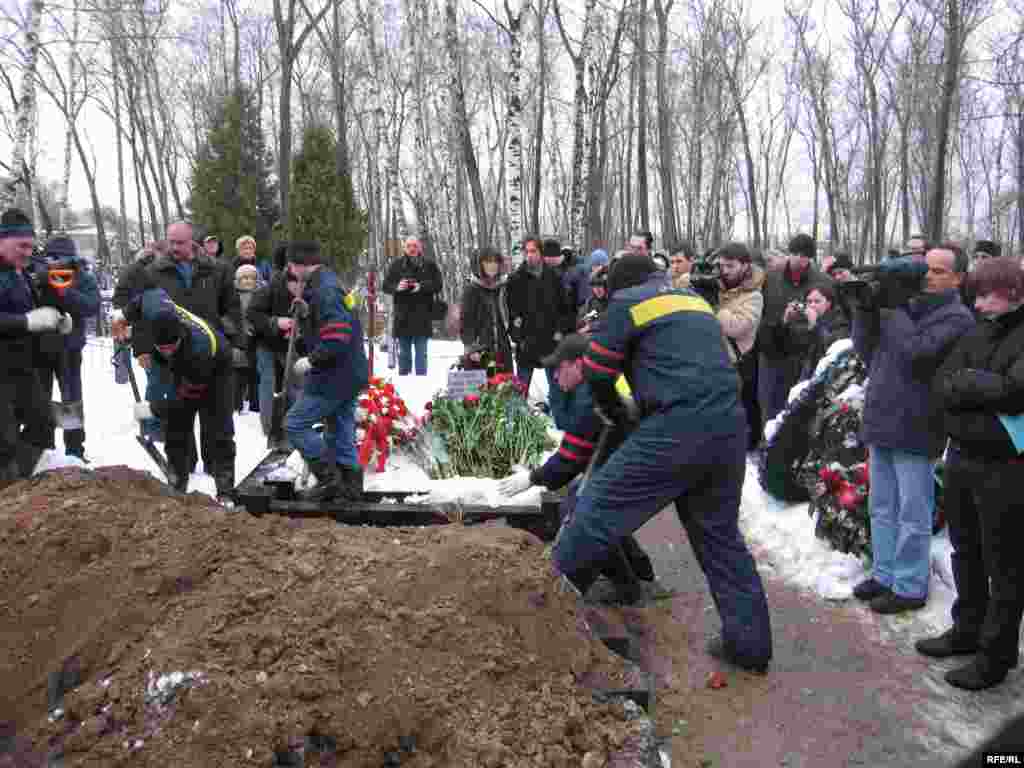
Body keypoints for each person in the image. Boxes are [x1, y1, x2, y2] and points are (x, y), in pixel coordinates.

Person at [552, 253, 773, 673]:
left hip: (676, 427)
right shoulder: (693, 300)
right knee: (720, 539)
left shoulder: (626, 304)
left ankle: (540, 616)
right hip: (728, 428)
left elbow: (598, 371)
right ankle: (750, 647)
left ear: (618, 286)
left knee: (594, 509)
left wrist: (615, 414)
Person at [915, 257, 1024, 690]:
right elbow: (942, 383)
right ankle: (967, 631)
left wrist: (970, 386)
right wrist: (977, 387)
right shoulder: (978, 332)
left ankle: (996, 656)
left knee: (1005, 566)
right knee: (967, 554)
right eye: (974, 294)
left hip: (1005, 470)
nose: (979, 303)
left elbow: (1015, 393)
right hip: (962, 459)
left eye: (986, 293)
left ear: (1014, 291)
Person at [850, 242, 975, 614]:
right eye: (926, 269)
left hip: (918, 425)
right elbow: (865, 348)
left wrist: (894, 307)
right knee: (882, 506)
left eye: (939, 271)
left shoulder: (957, 318)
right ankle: (885, 573)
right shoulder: (906, 307)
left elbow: (916, 353)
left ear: (958, 279)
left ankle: (909, 585)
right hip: (882, 416)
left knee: (913, 511)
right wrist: (867, 309)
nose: (928, 277)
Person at [496, 333, 657, 604]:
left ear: (578, 364)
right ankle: (640, 572)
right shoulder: (590, 389)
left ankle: (624, 587)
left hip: (630, 463)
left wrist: (532, 478)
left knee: (584, 514)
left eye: (559, 369)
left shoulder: (588, 399)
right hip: (626, 460)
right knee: (595, 508)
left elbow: (569, 458)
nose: (555, 378)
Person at [115, 287, 236, 501]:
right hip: (184, 365)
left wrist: (152, 409)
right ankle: (177, 484)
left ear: (180, 335)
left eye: (172, 347)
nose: (167, 351)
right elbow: (147, 295)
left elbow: (183, 402)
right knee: (176, 427)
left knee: (218, 430)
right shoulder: (156, 308)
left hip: (217, 369)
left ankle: (225, 493)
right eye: (162, 348)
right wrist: (122, 316)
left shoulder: (199, 350)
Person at [285, 241, 369, 501]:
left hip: (333, 375)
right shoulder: (327, 284)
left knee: (295, 424)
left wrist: (311, 360)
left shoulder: (325, 290)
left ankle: (330, 479)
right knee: (341, 429)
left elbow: (337, 335)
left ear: (298, 265)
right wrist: (306, 317)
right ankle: (350, 490)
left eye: (290, 265)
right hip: (349, 372)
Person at [0, 209, 60, 484]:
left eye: (30, 246)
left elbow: (32, 312)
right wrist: (26, 321)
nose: (28, 252)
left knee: (44, 424)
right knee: (5, 442)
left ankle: (21, 489)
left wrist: (56, 320)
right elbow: (24, 319)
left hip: (22, 367)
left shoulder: (19, 273)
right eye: (21, 245)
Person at [32, 235, 100, 461]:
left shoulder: (82, 276)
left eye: (61, 258)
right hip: (39, 348)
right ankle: (44, 448)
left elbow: (92, 306)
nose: (56, 263)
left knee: (72, 399)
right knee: (40, 399)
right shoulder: (36, 273)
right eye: (52, 258)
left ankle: (75, 450)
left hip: (69, 349)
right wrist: (42, 282)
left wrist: (65, 291)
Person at [757, 233, 833, 423]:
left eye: (805, 255)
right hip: (774, 354)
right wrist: (782, 321)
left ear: (810, 257)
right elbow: (762, 317)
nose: (800, 259)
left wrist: (813, 322)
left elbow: (832, 319)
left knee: (801, 416)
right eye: (796, 254)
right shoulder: (770, 278)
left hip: (805, 356)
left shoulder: (823, 281)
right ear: (789, 254)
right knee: (771, 414)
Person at [247, 242, 307, 443]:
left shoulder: (313, 286)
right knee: (269, 382)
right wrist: (276, 322)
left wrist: (300, 332)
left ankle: (294, 426)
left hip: (293, 347)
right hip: (267, 343)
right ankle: (270, 429)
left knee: (295, 384)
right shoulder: (273, 286)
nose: (297, 288)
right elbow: (253, 312)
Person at [112, 240, 171, 442]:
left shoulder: (168, 274)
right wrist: (141, 347)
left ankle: (162, 421)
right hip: (146, 334)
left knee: (165, 381)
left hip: (169, 336)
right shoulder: (137, 272)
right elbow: (123, 303)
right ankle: (150, 424)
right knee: (156, 382)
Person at [506, 234, 572, 413]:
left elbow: (565, 310)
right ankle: (518, 425)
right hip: (527, 345)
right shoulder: (515, 279)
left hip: (552, 343)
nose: (529, 255)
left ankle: (559, 422)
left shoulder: (555, 278)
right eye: (526, 252)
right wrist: (518, 338)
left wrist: (560, 332)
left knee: (557, 391)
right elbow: (512, 313)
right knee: (520, 393)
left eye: (533, 251)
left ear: (541, 253)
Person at [714, 242, 765, 449]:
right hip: (710, 360)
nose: (724, 271)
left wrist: (713, 305)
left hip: (734, 364)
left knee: (734, 415)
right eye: (722, 266)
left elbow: (737, 327)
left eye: (730, 266)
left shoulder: (754, 296)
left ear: (745, 266)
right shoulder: (714, 285)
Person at [382, 236, 442, 376]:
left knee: (421, 355)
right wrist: (398, 287)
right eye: (409, 246)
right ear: (404, 248)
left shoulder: (429, 265)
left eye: (415, 245)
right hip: (403, 318)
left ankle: (421, 385)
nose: (412, 248)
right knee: (404, 356)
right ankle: (405, 386)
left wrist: (421, 286)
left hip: (423, 317)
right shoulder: (396, 265)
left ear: (420, 247)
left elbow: (438, 284)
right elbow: (385, 286)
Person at [459, 246, 513, 374]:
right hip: (481, 349)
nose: (492, 265)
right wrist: (471, 347)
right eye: (488, 262)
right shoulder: (472, 289)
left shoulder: (502, 287)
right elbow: (466, 321)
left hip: (502, 347)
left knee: (505, 387)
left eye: (495, 261)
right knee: (486, 389)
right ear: (480, 265)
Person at [789, 284, 850, 381]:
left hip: (827, 375)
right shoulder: (803, 319)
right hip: (804, 374)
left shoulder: (839, 319)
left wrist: (815, 325)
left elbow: (831, 346)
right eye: (809, 302)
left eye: (817, 301)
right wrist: (786, 320)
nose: (812, 305)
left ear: (828, 303)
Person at [233, 264, 260, 412]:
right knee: (239, 373)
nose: (248, 281)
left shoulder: (261, 294)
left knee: (256, 374)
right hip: (239, 339)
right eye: (244, 278)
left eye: (251, 278)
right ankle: (237, 403)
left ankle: (256, 404)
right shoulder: (233, 295)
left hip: (257, 339)